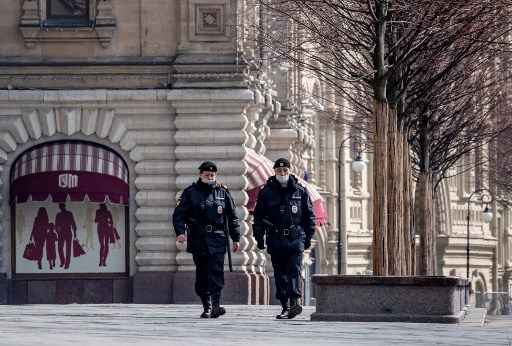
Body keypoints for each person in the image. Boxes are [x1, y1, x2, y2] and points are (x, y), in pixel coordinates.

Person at [172, 161, 240, 319]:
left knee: (216, 272)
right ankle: (207, 305)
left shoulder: (223, 192)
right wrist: (180, 233)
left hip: (218, 238)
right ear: (200, 175)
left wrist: (236, 237)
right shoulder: (190, 192)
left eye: (213, 175)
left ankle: (215, 305)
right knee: (203, 273)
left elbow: (232, 217)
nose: (210, 177)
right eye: (207, 175)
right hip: (199, 238)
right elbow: (178, 215)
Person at [253, 158, 315, 319]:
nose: (282, 174)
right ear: (275, 172)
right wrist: (259, 238)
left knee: (294, 270)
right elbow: (258, 217)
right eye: (279, 171)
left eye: (285, 171)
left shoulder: (300, 191)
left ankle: (295, 302)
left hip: (295, 238)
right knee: (280, 274)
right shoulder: (266, 192)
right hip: (275, 238)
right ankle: (285, 305)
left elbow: (309, 217)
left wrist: (308, 237)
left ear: (289, 171)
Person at [55, 203, 77, 269]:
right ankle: (65, 262)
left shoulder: (60, 214)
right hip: (65, 232)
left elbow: (73, 224)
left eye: (60, 206)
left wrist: (58, 231)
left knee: (64, 248)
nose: (60, 208)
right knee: (64, 248)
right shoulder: (67, 214)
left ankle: (65, 263)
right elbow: (73, 224)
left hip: (64, 232)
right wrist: (75, 233)